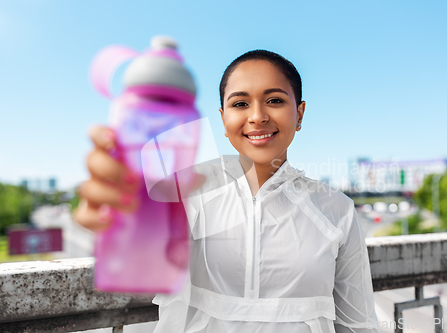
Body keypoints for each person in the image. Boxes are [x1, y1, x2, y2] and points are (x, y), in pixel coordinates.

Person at [74, 49, 379, 333]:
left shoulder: (336, 209)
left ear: (299, 114)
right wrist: (114, 211)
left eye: (274, 100)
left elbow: (358, 324)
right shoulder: (184, 189)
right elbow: (136, 255)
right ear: (223, 119)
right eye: (240, 103)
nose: (257, 116)